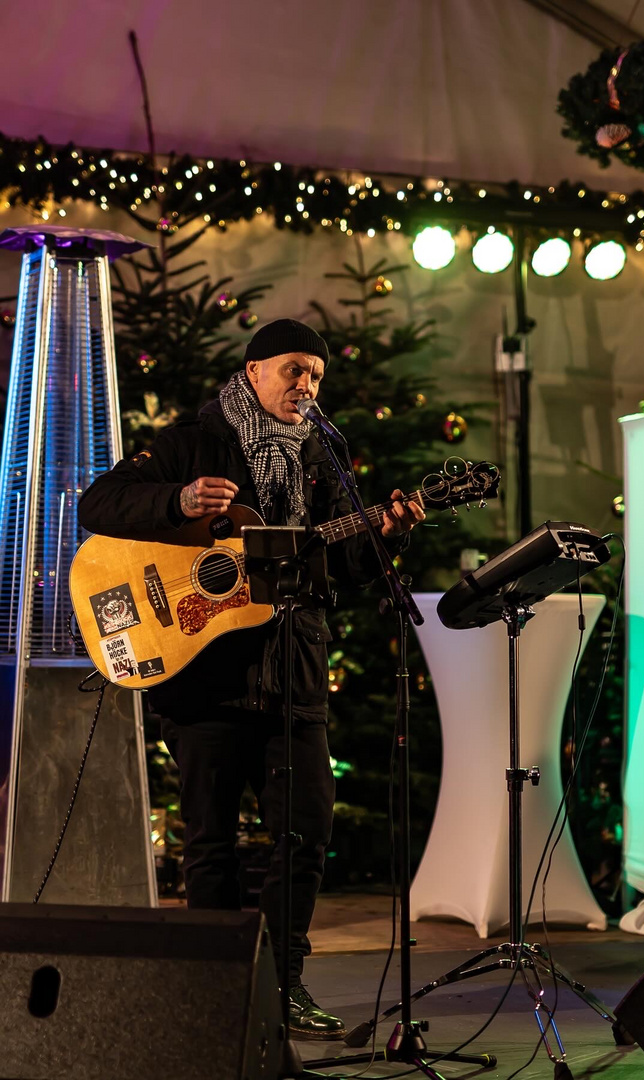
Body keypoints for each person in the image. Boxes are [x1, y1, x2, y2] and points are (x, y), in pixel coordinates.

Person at [77, 319, 424, 1039]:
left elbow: (341, 567)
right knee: (210, 841)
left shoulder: (325, 458)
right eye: (295, 370)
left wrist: (381, 534)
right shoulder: (193, 441)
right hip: (204, 673)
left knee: (304, 832)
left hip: (293, 670)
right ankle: (209, 993)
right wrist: (176, 501)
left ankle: (282, 983)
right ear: (255, 369)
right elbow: (98, 504)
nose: (307, 386)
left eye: (316, 377)